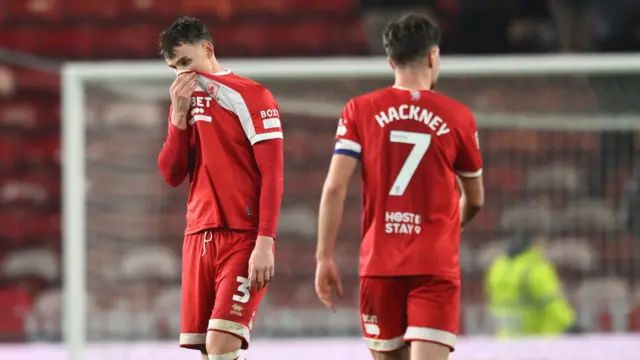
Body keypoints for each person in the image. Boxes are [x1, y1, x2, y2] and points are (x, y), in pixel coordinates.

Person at [315, 13, 484, 360]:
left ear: (390, 61)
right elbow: (476, 199)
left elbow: (334, 188)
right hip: (434, 266)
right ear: (433, 56)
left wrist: (324, 256)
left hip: (380, 266)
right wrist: (450, 228)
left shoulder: (359, 110)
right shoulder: (458, 117)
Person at [157, 16, 283, 360]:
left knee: (221, 345)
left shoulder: (251, 95)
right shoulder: (182, 103)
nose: (181, 74)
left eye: (186, 62)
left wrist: (265, 241)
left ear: (207, 49)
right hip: (198, 236)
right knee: (210, 352)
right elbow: (171, 173)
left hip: (242, 237)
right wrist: (178, 117)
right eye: (174, 67)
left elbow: (273, 173)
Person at [485, 231, 580, 337]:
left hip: (504, 339)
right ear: (534, 244)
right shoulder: (535, 268)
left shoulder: (497, 268)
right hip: (534, 340)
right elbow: (552, 302)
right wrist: (570, 324)